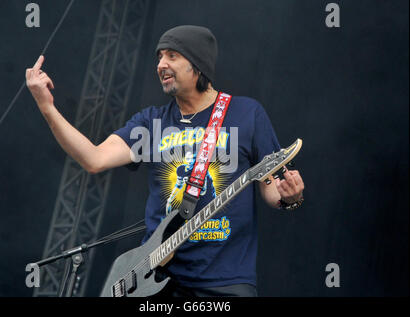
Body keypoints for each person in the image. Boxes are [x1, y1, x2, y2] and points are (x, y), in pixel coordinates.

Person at [26, 25, 305, 297]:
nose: (161, 64)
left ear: (198, 65)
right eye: (159, 56)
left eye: (172, 55)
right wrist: (46, 106)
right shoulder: (151, 122)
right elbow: (94, 159)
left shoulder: (247, 113)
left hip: (225, 280)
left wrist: (290, 196)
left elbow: (272, 188)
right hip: (155, 277)